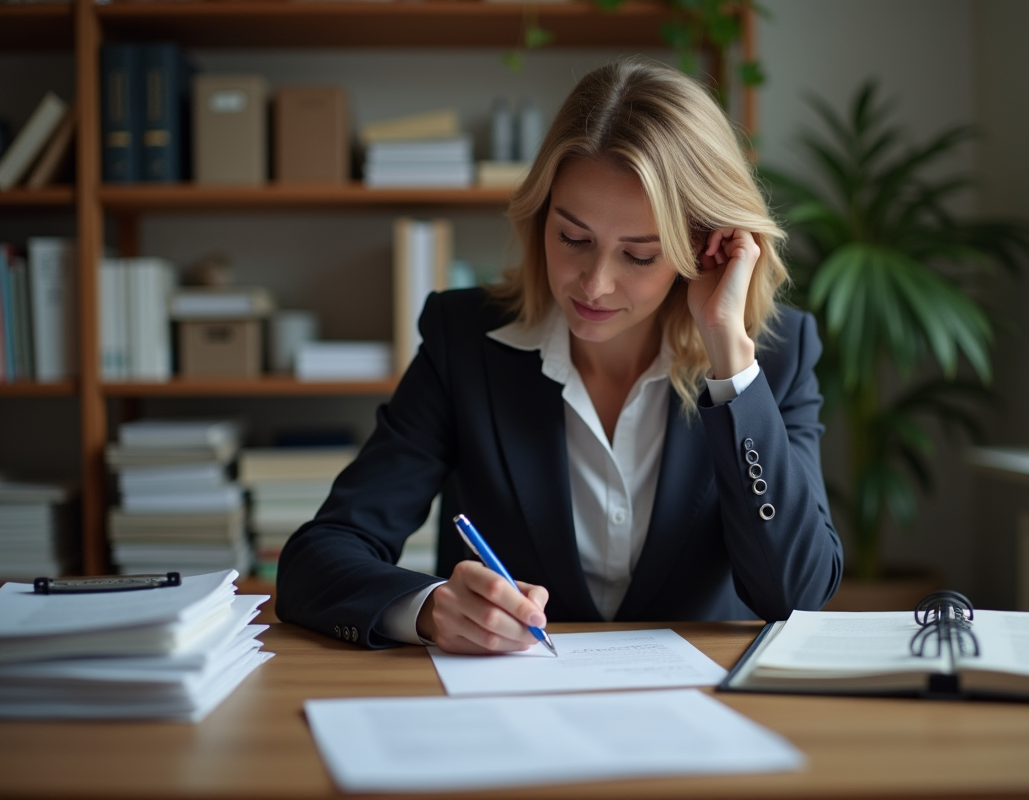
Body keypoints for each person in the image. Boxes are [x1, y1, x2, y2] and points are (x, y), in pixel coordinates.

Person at [276, 57, 843, 654]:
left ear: (703, 249)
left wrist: (728, 351)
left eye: (640, 255)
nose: (594, 284)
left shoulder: (770, 363)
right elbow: (319, 557)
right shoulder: (465, 341)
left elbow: (797, 595)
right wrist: (429, 609)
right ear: (541, 214)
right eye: (573, 239)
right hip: (510, 707)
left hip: (706, 711)